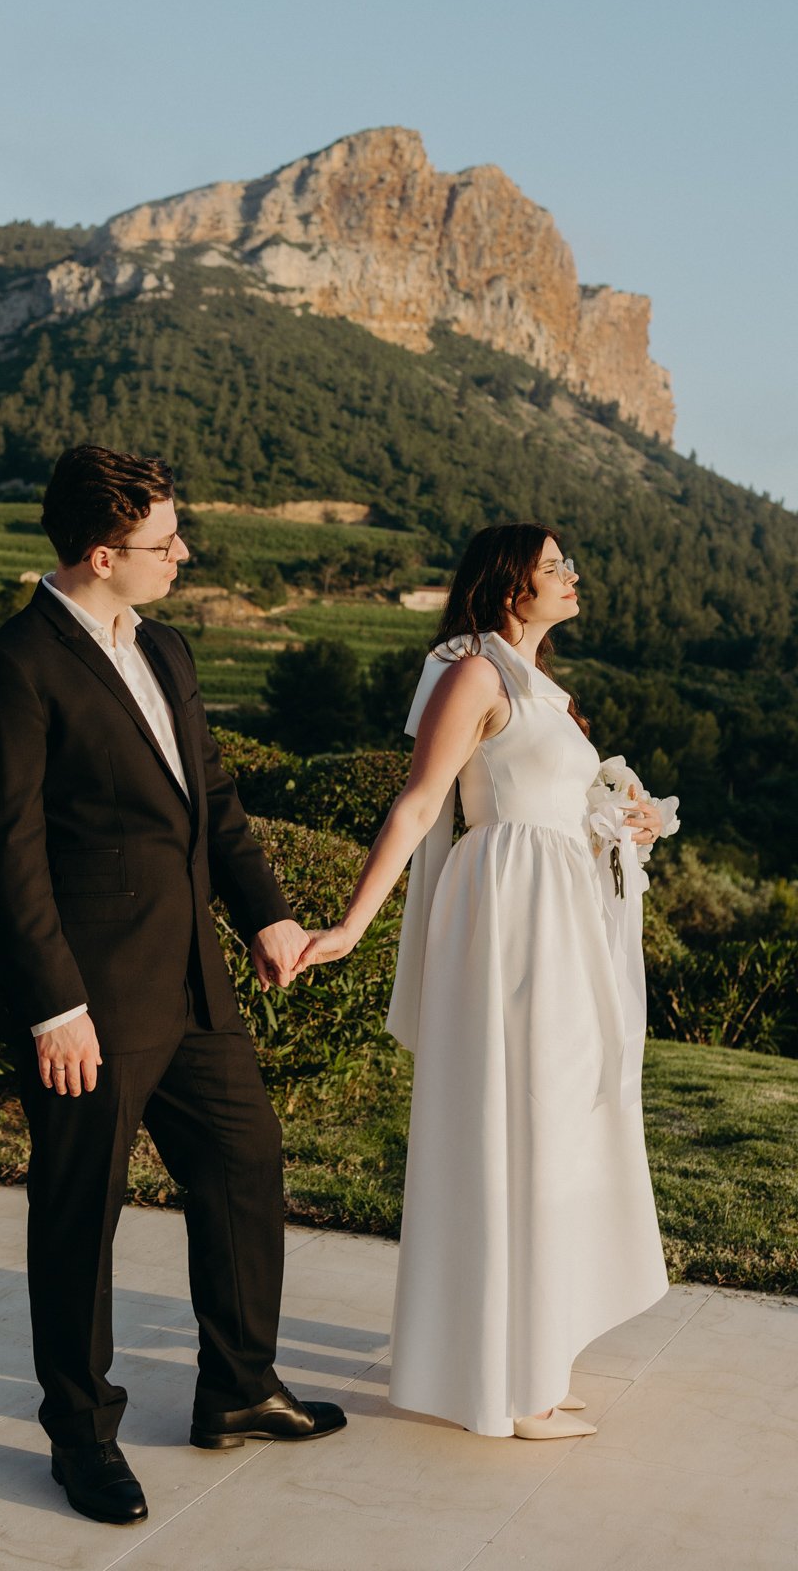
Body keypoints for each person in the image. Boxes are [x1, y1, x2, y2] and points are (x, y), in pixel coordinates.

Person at [0, 444, 345, 1526]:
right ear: (99, 552)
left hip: (194, 985)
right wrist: (53, 1004)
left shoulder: (164, 648)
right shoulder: (11, 668)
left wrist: (265, 911)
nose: (184, 554)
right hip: (88, 1002)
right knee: (83, 1216)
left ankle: (238, 1385)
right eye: (165, 543)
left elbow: (210, 801)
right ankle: (81, 1436)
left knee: (246, 1161)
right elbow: (6, 853)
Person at [293, 522, 675, 1440]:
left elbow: (557, 808)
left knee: (560, 1120)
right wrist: (352, 924)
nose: (571, 575)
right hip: (510, 917)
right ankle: (516, 1384)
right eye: (554, 567)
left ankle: (528, 1357)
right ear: (510, 584)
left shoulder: (547, 691)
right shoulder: (474, 675)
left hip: (562, 917)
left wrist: (624, 825)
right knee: (523, 1120)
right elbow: (423, 802)